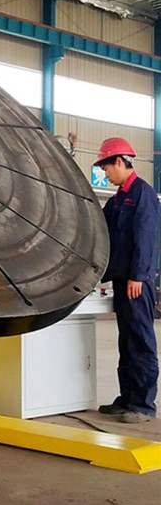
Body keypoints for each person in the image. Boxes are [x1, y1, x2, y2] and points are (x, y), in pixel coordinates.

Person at [94, 137, 159, 423]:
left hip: (137, 283)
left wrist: (138, 276)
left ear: (120, 162)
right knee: (126, 342)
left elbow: (145, 239)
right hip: (122, 281)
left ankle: (143, 405)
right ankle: (127, 398)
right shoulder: (118, 199)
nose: (105, 174)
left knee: (141, 341)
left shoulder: (143, 194)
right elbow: (100, 225)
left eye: (107, 167)